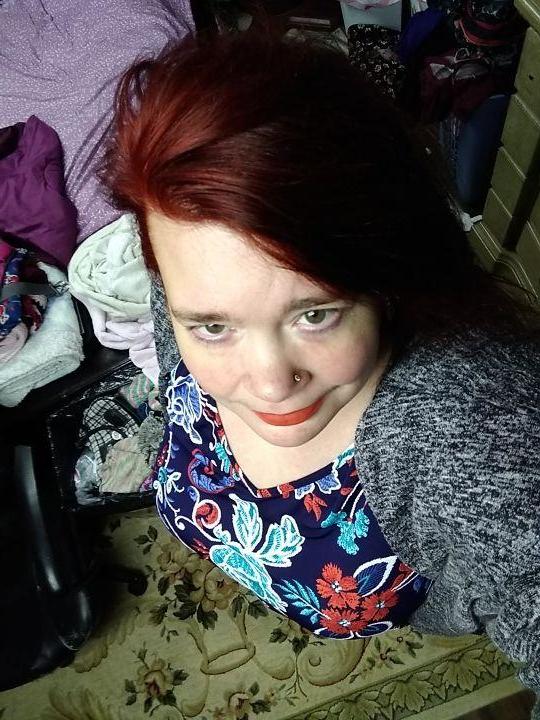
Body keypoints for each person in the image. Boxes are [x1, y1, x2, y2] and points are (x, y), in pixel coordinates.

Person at [101, 29, 540, 713]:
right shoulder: (187, 254)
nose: (269, 384)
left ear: (387, 274)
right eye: (213, 327)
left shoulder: (473, 430)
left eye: (316, 314)